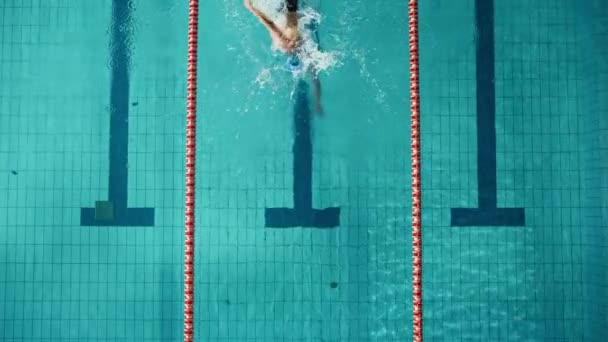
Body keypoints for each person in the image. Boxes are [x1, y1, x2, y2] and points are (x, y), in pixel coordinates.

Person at [245, 0, 323, 114]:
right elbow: (316, 80)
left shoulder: (285, 42)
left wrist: (252, 9)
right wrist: (317, 102)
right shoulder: (288, 42)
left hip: (289, 14)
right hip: (288, 13)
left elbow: (269, 23)